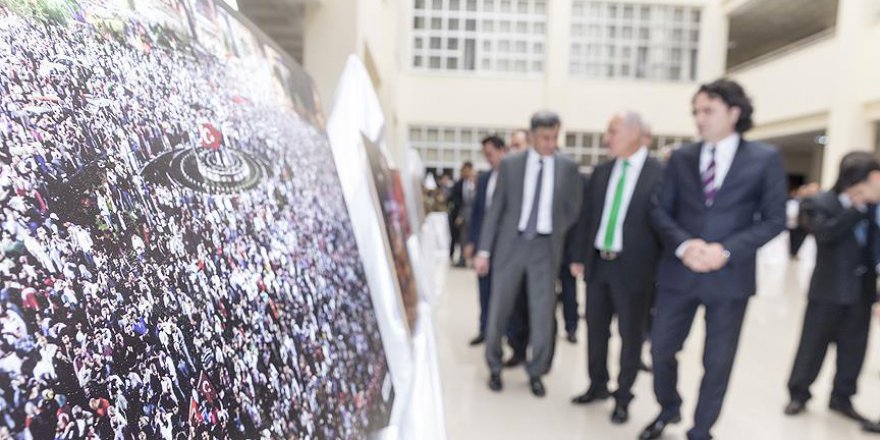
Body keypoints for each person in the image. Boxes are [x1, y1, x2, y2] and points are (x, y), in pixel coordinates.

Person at [640, 79, 787, 440]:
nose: (699, 119)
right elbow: (660, 210)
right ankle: (667, 408)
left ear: (734, 113)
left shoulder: (764, 159)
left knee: (718, 361)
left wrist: (724, 250)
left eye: (708, 111)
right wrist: (685, 245)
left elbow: (774, 219)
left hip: (729, 276)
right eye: (696, 112)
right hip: (679, 272)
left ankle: (701, 429)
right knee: (660, 350)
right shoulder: (682, 158)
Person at [474, 111, 583, 397]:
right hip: (511, 245)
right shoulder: (511, 164)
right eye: (545, 137)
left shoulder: (567, 167)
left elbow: (574, 208)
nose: (550, 143)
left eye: (554, 137)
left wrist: (556, 229)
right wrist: (484, 250)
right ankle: (494, 366)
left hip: (545, 248)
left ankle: (536, 371)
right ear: (532, 135)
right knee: (499, 308)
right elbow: (496, 209)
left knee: (543, 312)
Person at [568, 111, 663, 425]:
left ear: (635, 133)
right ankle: (598, 384)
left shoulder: (659, 173)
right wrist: (579, 256)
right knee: (595, 331)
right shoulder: (602, 171)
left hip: (634, 270)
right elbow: (587, 216)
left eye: (612, 131)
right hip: (599, 264)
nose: (606, 138)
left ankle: (623, 396)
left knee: (630, 337)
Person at [784, 152, 880, 425]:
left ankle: (843, 397)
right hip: (827, 290)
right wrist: (855, 208)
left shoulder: (876, 206)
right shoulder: (818, 202)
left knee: (854, 350)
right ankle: (799, 394)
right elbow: (825, 234)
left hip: (861, 291)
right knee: (812, 345)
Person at [464, 136, 508, 346]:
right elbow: (477, 214)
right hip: (484, 246)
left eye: (490, 154)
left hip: (506, 249)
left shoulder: (512, 178)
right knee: (484, 291)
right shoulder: (483, 179)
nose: (488, 159)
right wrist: (472, 242)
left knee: (505, 295)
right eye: (485, 155)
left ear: (502, 151)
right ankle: (484, 329)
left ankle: (504, 333)